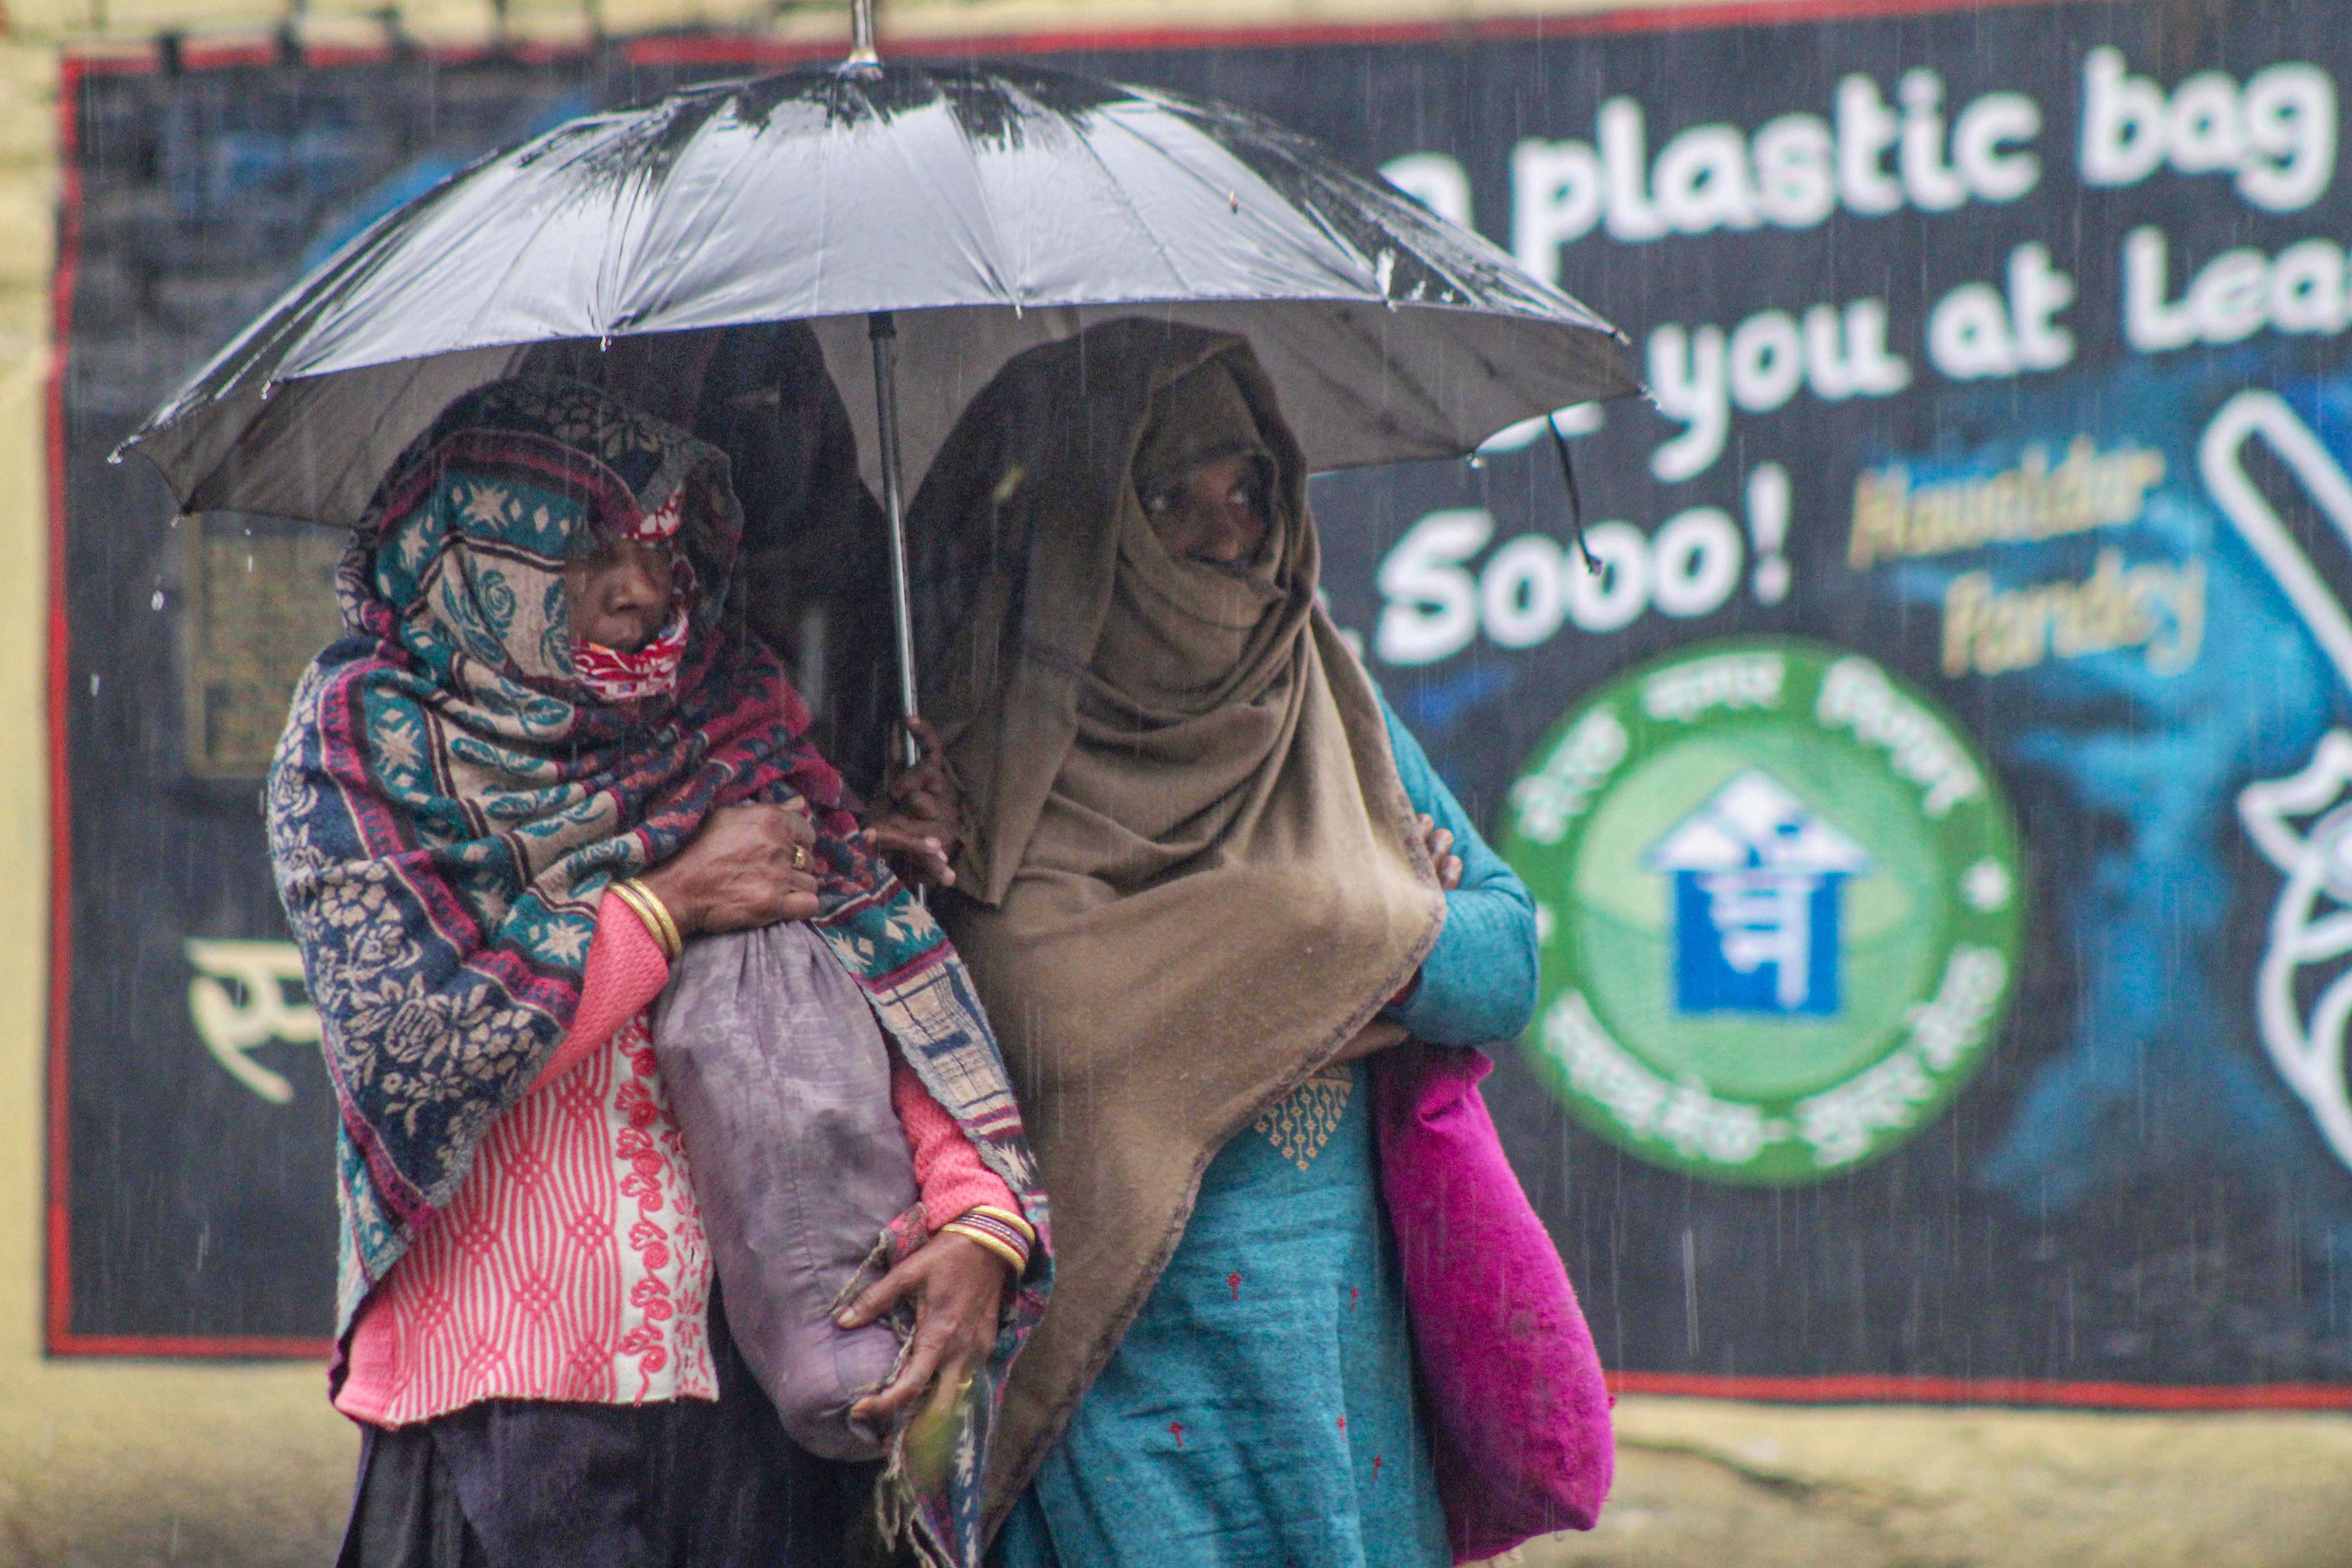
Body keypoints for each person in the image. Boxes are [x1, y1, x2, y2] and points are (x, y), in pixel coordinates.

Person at [267, 375, 1046, 1568]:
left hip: (762, 1383)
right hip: (502, 1401)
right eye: (585, 548)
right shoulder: (364, 744)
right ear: (474, 548)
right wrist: (670, 903)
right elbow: (416, 1053)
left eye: (663, 550)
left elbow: (874, 967)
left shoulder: (733, 718)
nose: (640, 588)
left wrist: (977, 1214)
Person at [907, 318, 1604, 1568]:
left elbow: (1503, 962)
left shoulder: (1324, 698)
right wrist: (1343, 926)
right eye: (1171, 498)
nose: (1233, 532)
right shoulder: (974, 756)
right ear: (1088, 517)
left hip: (1342, 1358)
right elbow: (1019, 1018)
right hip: (1120, 1371)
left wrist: (1305, 954)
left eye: (1252, 488)